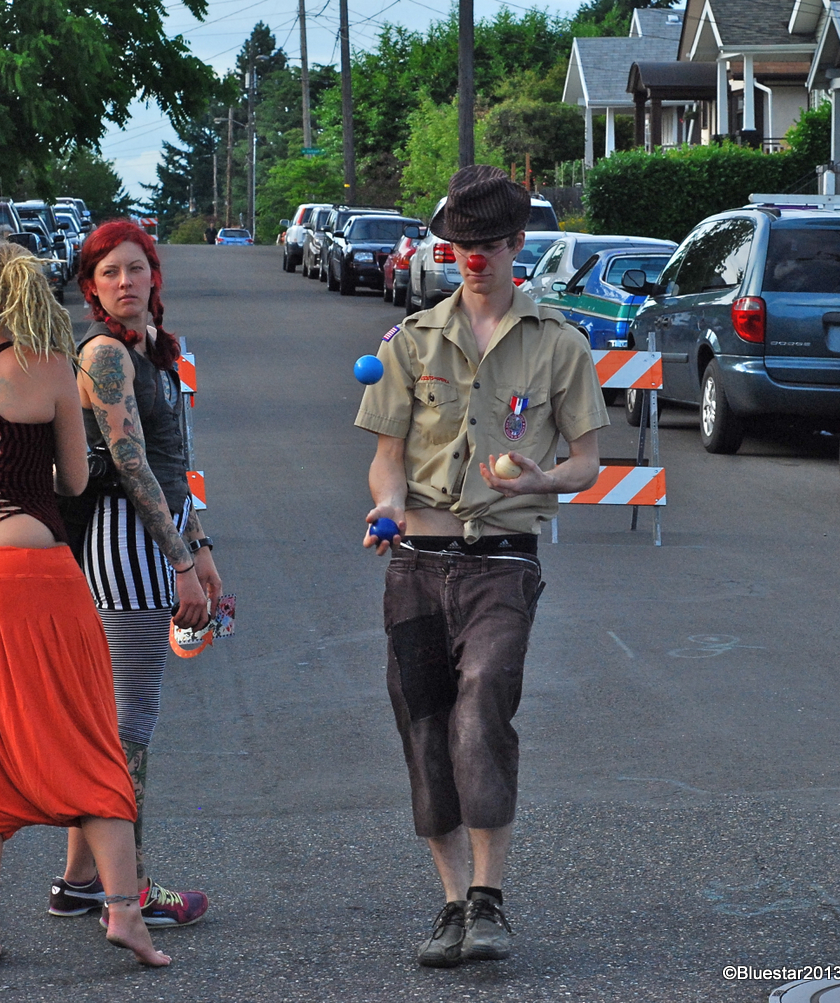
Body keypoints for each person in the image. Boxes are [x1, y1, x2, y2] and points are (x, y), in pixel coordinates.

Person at [355, 165, 608, 968]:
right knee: (424, 723)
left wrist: (542, 479)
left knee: (482, 707)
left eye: (489, 244)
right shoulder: (410, 341)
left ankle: (490, 898)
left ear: (516, 244)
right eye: (461, 244)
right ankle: (452, 901)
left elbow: (587, 462)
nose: (474, 258)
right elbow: (388, 458)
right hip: (415, 559)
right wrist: (386, 505)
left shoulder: (559, 343)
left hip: (501, 558)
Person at [0, 240, 169, 969]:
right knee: (85, 731)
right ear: (19, 292)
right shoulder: (48, 367)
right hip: (35, 568)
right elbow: (74, 480)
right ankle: (123, 912)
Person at [48, 219, 221, 929]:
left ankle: (79, 882)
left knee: (113, 720)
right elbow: (130, 463)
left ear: (154, 275)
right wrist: (180, 563)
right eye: (109, 272)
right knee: (129, 723)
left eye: (135, 268)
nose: (125, 282)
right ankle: (134, 885)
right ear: (91, 287)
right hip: (125, 542)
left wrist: (200, 544)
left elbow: (176, 460)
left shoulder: (153, 348)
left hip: (160, 534)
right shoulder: (105, 354)